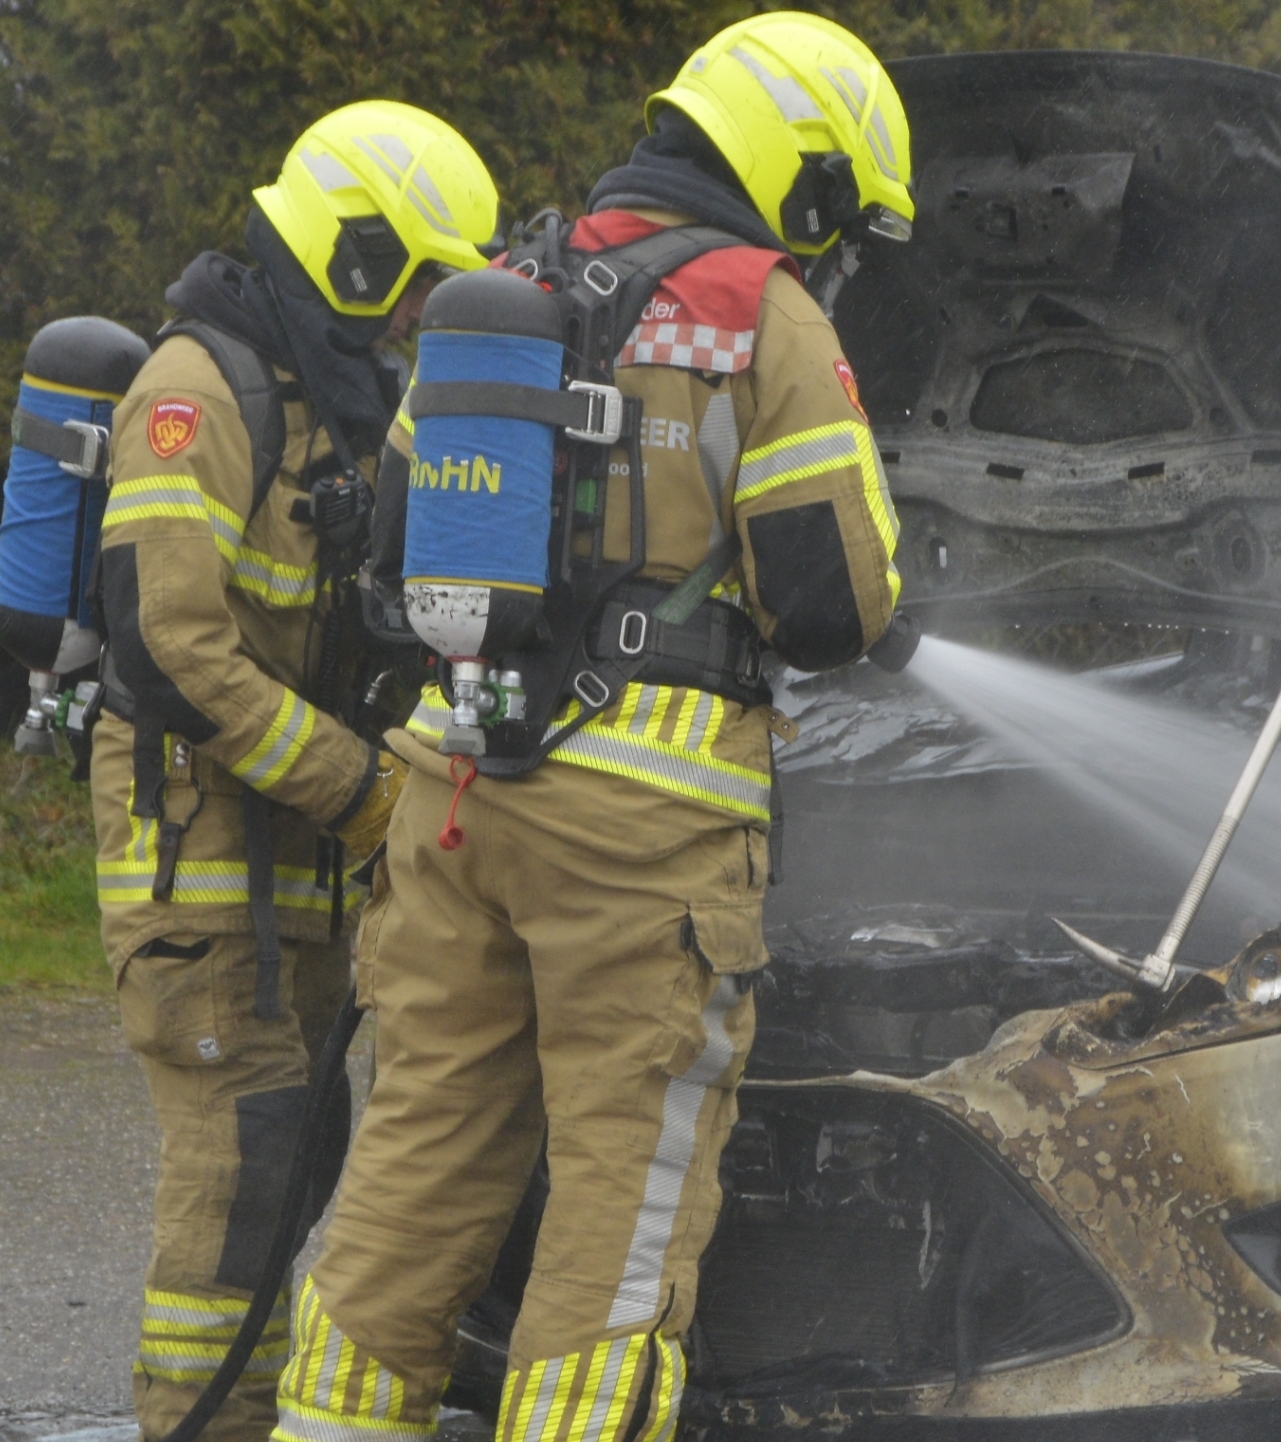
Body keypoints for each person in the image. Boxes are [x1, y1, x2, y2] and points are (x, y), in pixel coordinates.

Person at [271, 15, 911, 1442]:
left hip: (451, 793)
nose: (838, 247)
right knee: (623, 1212)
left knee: (416, 1168)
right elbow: (831, 599)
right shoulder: (759, 308)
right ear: (799, 173)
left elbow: (385, 546)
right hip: (643, 835)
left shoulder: (500, 286)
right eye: (842, 215)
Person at [92, 100, 498, 1441]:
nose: (416, 322)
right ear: (359, 253)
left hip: (300, 880)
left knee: (295, 1157)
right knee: (240, 1174)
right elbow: (167, 642)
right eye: (418, 286)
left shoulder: (332, 408)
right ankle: (198, 1424)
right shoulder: (198, 391)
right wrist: (367, 791)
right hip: (203, 871)